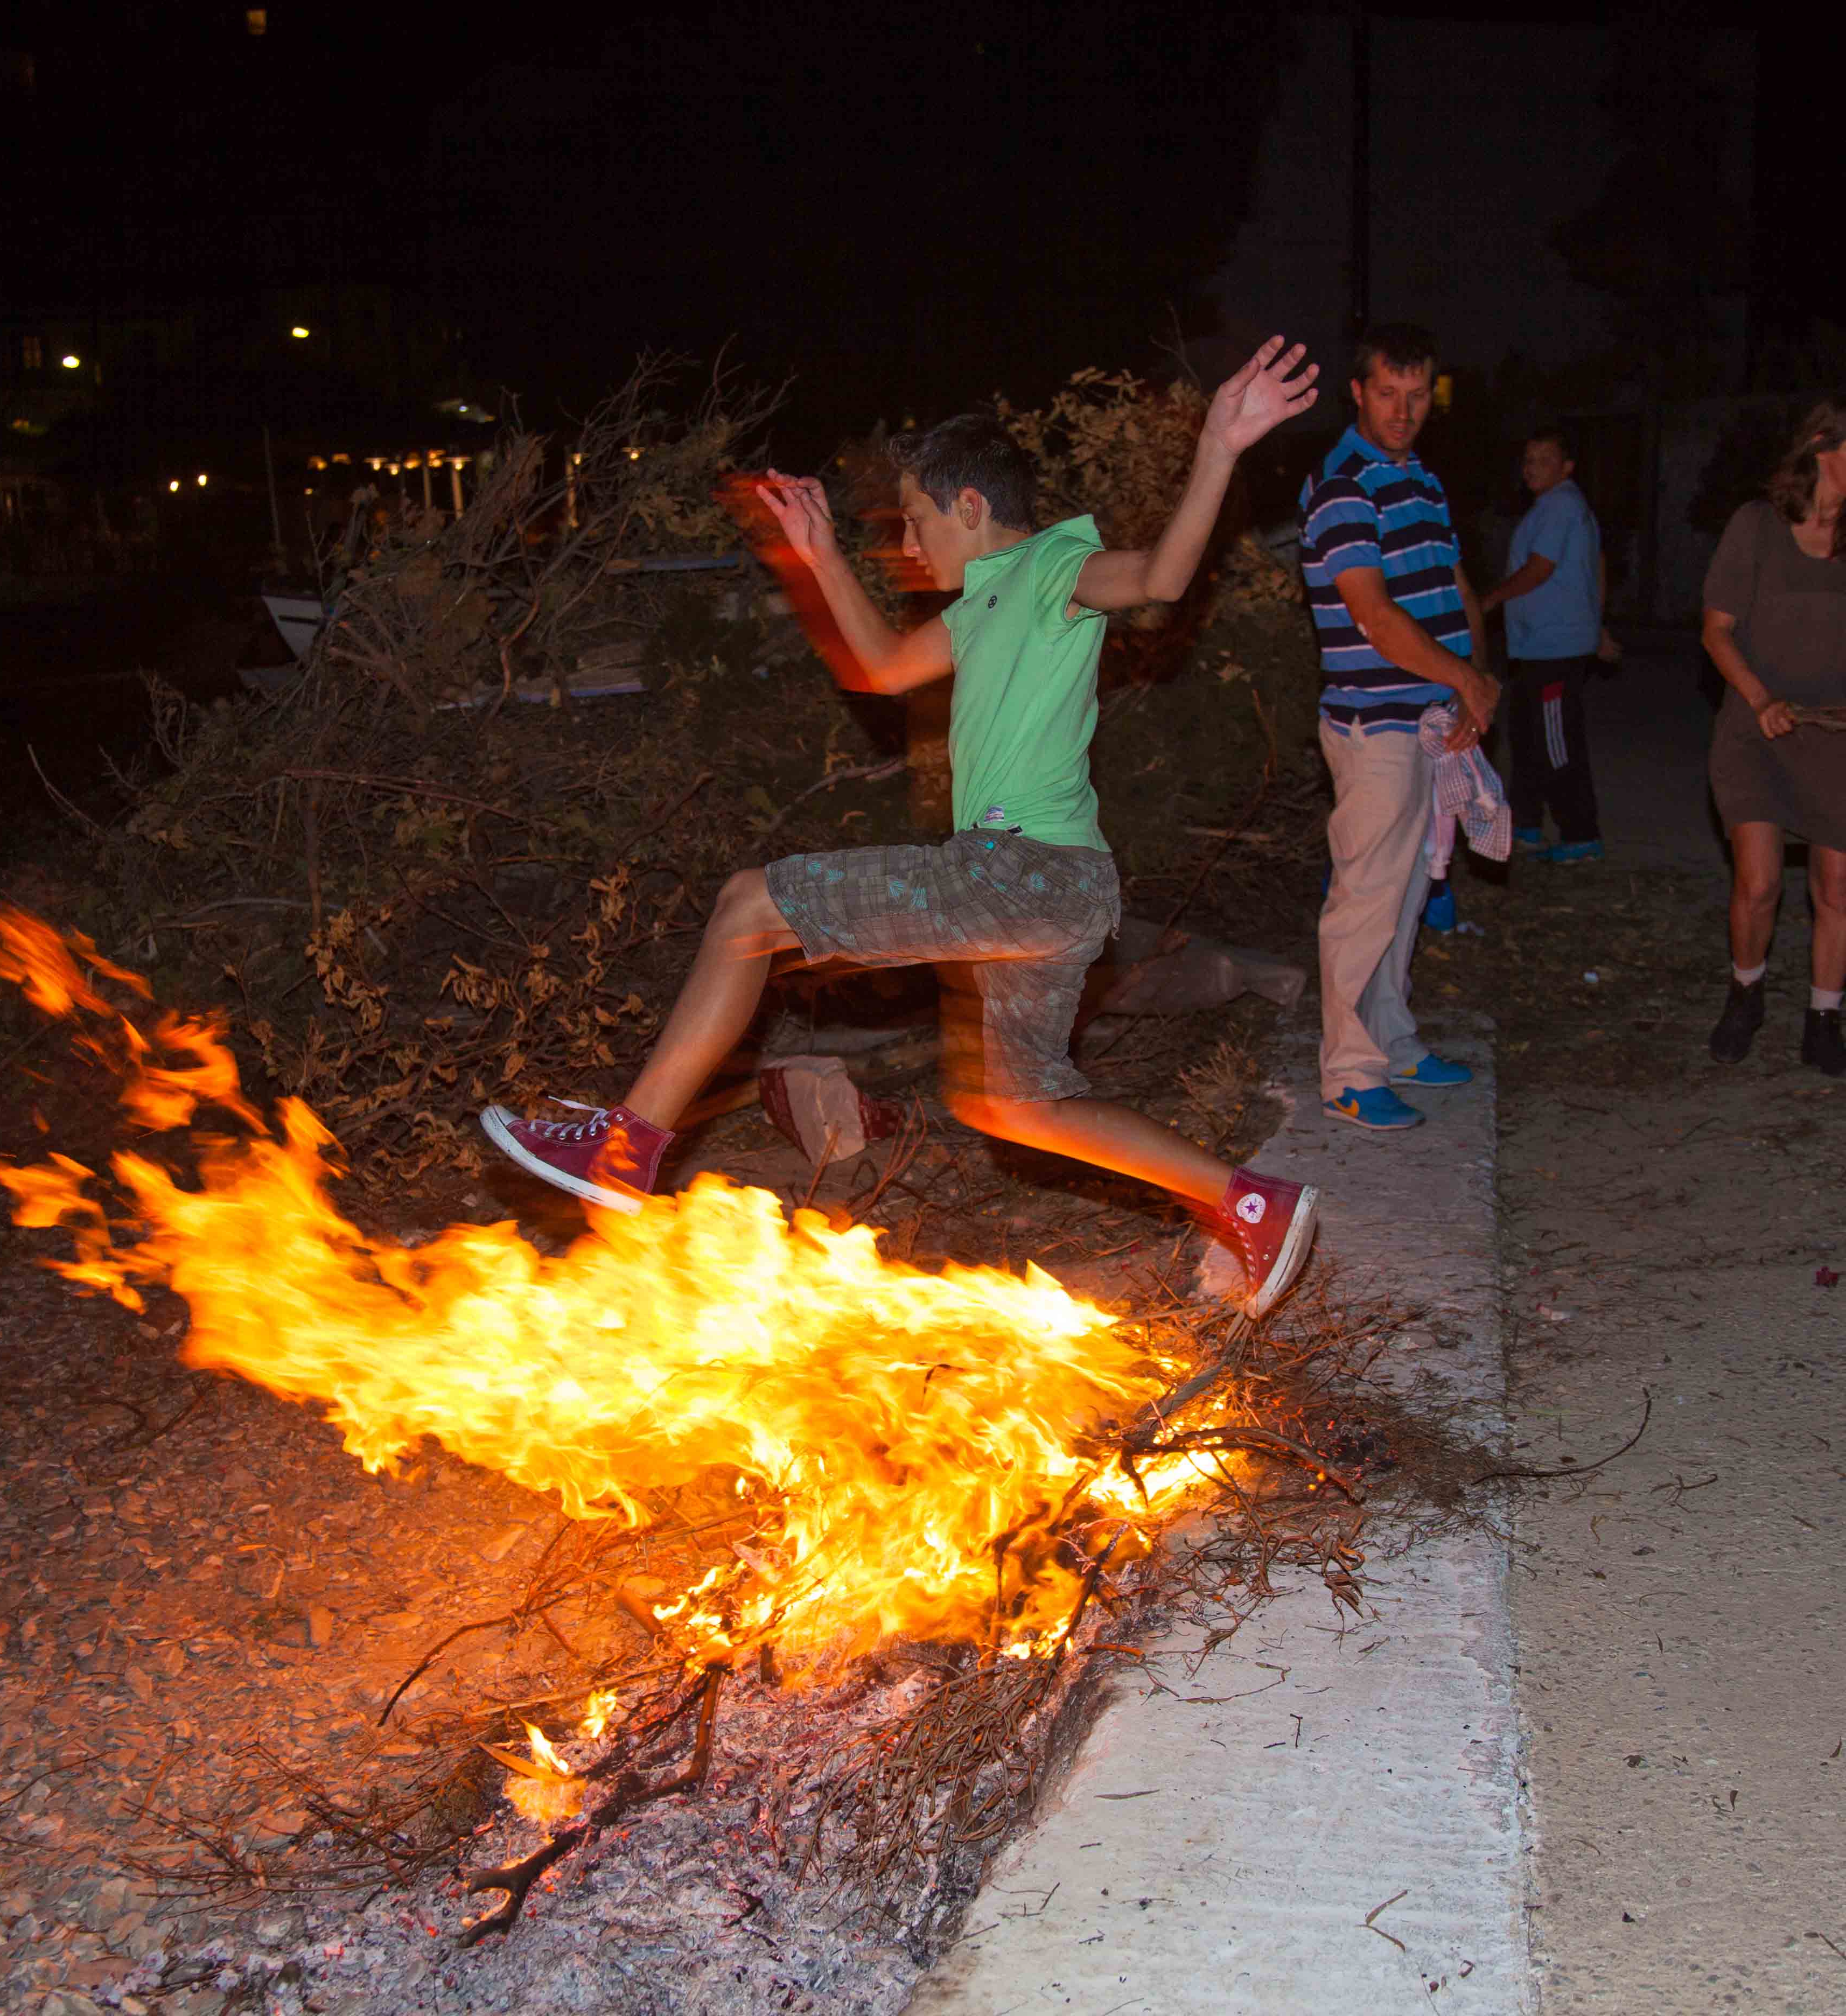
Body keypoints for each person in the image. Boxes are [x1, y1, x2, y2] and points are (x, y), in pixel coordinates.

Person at [478, 338, 1327, 1317]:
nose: (911, 546)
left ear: (970, 505)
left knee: (749, 906)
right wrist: (819, 554)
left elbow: (1161, 577)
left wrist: (1217, 447)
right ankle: (1253, 1202)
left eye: (918, 519)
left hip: (1021, 871)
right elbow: (879, 667)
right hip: (1057, 890)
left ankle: (626, 1146)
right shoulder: (978, 611)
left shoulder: (1051, 565)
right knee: (1017, 1103)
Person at [1297, 323, 1502, 1132]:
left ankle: (1394, 1040)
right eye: (1387, 393)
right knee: (1365, 898)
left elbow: (1454, 585)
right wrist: (1465, 679)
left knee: (1410, 890)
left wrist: (1474, 683)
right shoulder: (1344, 485)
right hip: (1374, 723)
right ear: (1358, 391)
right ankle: (1348, 1074)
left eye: (1417, 396)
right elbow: (1375, 619)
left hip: (1429, 717)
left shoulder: (1420, 478)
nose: (1403, 411)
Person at [1698, 395, 1846, 1079]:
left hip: (1838, 727)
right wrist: (1761, 700)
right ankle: (1745, 996)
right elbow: (1716, 631)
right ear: (1821, 448)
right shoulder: (1755, 526)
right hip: (1756, 726)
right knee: (1757, 884)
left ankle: (1823, 1022)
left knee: (1837, 885)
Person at [1478, 426, 1619, 864]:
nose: (1532, 468)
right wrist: (1598, 624)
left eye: (1544, 460)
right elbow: (1596, 564)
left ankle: (1581, 835)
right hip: (1537, 646)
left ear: (1567, 467)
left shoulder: (1561, 505)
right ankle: (1527, 826)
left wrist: (1491, 599)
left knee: (1556, 743)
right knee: (1527, 738)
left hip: (1555, 648)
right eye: (1528, 460)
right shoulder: (1556, 507)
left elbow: (1540, 569)